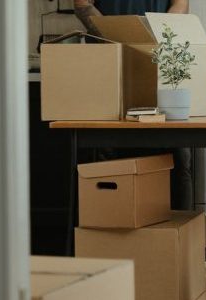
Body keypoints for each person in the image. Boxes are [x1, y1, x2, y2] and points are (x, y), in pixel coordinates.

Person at [74, 0, 194, 211]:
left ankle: (178, 236)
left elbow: (181, 4)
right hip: (108, 67)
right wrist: (117, 35)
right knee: (106, 155)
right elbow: (82, 4)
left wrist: (155, 34)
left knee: (175, 155)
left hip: (159, 62)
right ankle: (107, 233)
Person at [74, 0, 189, 36]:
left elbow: (180, 4)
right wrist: (111, 37)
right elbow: (82, 4)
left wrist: (162, 34)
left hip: (156, 48)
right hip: (106, 50)